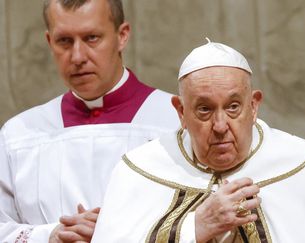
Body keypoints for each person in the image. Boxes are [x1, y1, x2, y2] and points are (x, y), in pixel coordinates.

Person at [91, 39, 305, 242]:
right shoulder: (138, 172)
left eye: (233, 107)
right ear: (181, 112)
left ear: (254, 105)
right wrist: (194, 228)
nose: (221, 126)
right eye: (204, 109)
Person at [0, 0, 179, 242]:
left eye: (92, 38)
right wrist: (50, 235)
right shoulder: (19, 135)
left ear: (122, 36)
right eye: (64, 41)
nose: (77, 56)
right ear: (49, 41)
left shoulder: (176, 121)